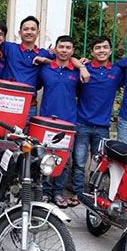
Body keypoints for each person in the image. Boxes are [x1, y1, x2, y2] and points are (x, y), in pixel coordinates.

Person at [0, 16, 89, 118]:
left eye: (33, 29)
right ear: (20, 33)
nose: (29, 32)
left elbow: (66, 59)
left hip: (29, 106)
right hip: (5, 104)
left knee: (25, 142)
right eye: (26, 29)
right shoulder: (10, 48)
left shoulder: (43, 53)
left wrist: (81, 67)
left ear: (38, 33)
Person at [71, 35, 124, 206]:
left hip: (102, 127)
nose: (102, 50)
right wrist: (81, 65)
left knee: (99, 163)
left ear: (110, 51)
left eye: (105, 47)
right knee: (79, 161)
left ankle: (92, 194)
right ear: (92, 51)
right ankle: (77, 194)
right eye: (98, 48)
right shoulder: (84, 69)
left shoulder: (116, 72)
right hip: (82, 123)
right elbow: (68, 58)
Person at [37, 35, 80, 208]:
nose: (64, 51)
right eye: (61, 47)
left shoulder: (77, 72)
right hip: (47, 121)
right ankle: (45, 191)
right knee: (46, 156)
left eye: (68, 48)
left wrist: (81, 66)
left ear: (72, 51)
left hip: (68, 122)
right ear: (55, 49)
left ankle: (58, 192)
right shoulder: (45, 69)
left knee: (64, 158)